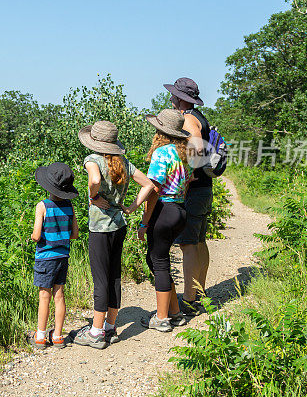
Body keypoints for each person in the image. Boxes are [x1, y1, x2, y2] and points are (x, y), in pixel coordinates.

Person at [73, 121, 155, 349]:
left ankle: (96, 332)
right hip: (119, 226)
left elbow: (95, 180)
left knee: (100, 279)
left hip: (100, 229)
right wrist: (131, 207)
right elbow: (148, 184)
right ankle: (110, 326)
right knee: (114, 276)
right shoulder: (123, 162)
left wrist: (93, 196)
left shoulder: (93, 160)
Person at [137, 109, 192, 332]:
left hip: (164, 209)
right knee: (158, 261)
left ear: (161, 131)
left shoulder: (162, 153)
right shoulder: (185, 153)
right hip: (180, 209)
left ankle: (161, 318)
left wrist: (144, 222)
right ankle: (175, 312)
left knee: (158, 261)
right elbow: (188, 183)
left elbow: (154, 189)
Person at [165, 77, 213, 315]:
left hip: (194, 190)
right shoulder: (201, 118)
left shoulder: (188, 119)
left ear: (181, 99)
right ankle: (200, 293)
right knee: (200, 241)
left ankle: (189, 300)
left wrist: (188, 174)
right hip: (205, 188)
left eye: (174, 95)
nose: (171, 98)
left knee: (188, 244)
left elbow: (197, 146)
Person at [30, 162, 80, 349]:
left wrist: (34, 237)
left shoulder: (42, 206)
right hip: (62, 257)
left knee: (45, 296)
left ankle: (40, 336)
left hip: (45, 257)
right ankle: (58, 336)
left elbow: (36, 235)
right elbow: (75, 234)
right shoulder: (69, 206)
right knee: (59, 295)